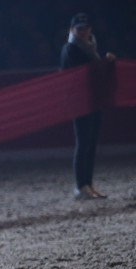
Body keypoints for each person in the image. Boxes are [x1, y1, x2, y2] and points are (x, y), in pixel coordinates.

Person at [60, 12, 117, 200]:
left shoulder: (92, 47)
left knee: (91, 143)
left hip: (94, 99)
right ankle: (80, 185)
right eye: (79, 29)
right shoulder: (70, 49)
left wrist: (107, 63)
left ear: (89, 29)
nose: (82, 31)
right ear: (72, 30)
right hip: (80, 101)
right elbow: (82, 72)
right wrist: (104, 63)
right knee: (83, 142)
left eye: (85, 28)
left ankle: (88, 184)